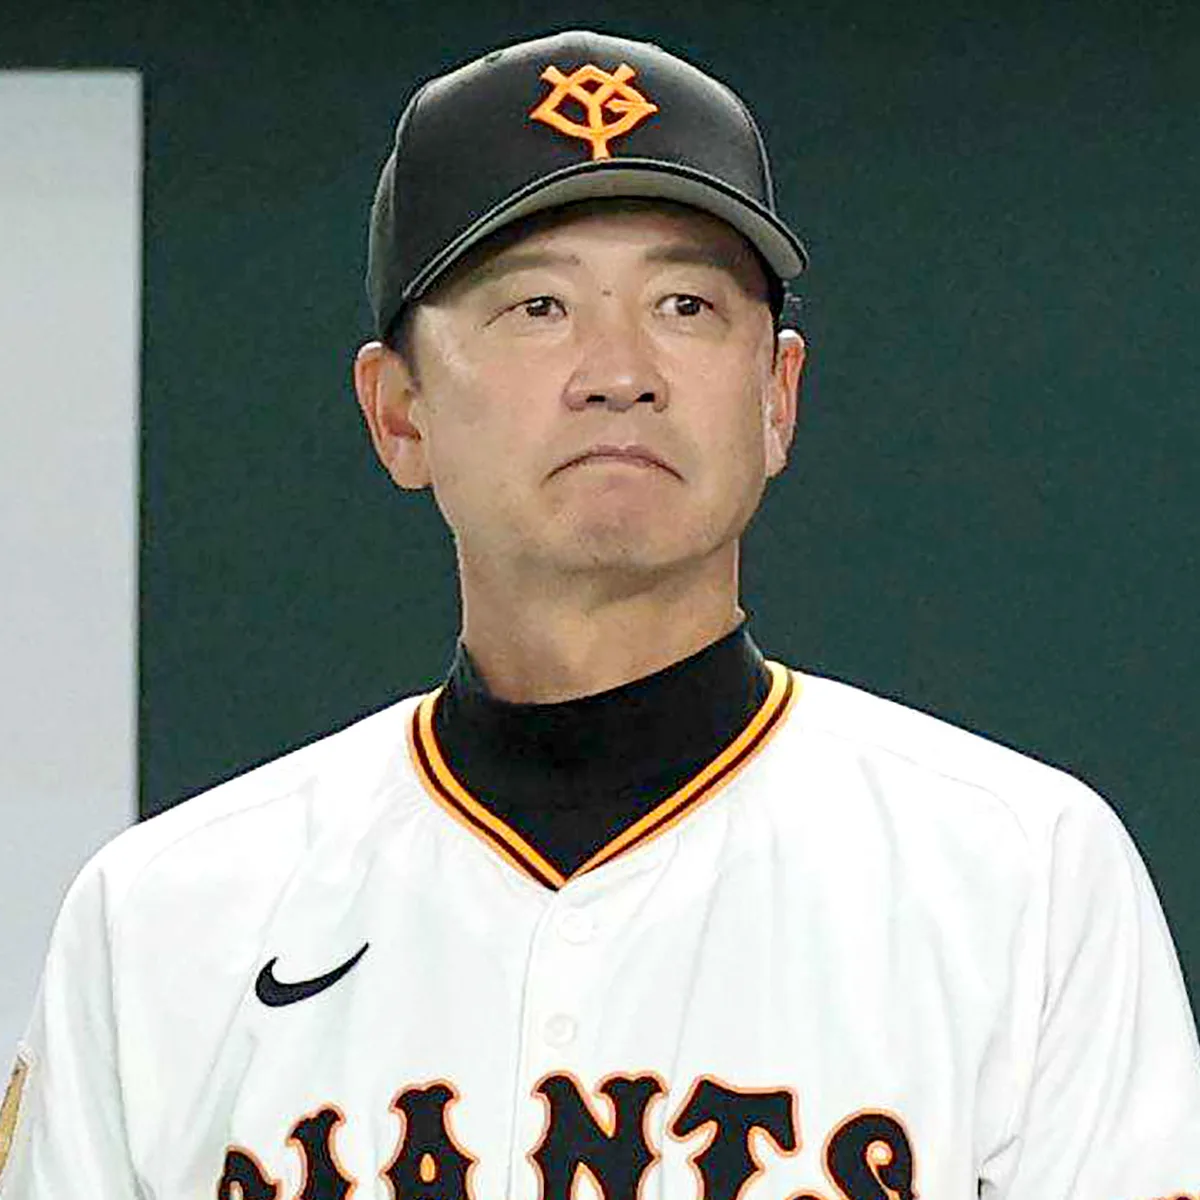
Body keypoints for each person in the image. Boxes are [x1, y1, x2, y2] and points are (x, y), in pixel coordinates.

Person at [2, 28, 1198, 1200]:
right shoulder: (162, 920)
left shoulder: (1020, 875)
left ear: (777, 398)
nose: (621, 371)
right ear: (399, 411)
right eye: (538, 307)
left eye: (686, 305)